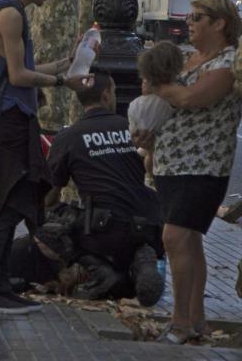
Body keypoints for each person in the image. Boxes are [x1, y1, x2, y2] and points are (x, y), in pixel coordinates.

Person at [0, 0, 90, 315]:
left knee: (16, 202)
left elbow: (15, 70)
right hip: (9, 123)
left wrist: (65, 63)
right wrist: (63, 81)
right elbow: (19, 77)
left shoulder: (5, 10)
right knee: (8, 205)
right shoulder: (11, 15)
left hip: (13, 120)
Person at [132, 0, 242, 344]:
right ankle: (195, 321)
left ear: (219, 23)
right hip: (170, 163)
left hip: (204, 166)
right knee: (190, 241)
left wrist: (157, 86)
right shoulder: (187, 61)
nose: (190, 22)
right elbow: (169, 107)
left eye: (197, 17)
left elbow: (190, 99)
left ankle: (180, 323)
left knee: (174, 237)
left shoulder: (227, 64)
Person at [47, 72, 165, 307]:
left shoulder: (69, 136)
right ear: (106, 95)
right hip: (146, 222)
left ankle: (99, 270)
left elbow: (49, 193)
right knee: (125, 229)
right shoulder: (131, 128)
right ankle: (141, 258)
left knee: (45, 222)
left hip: (102, 228)